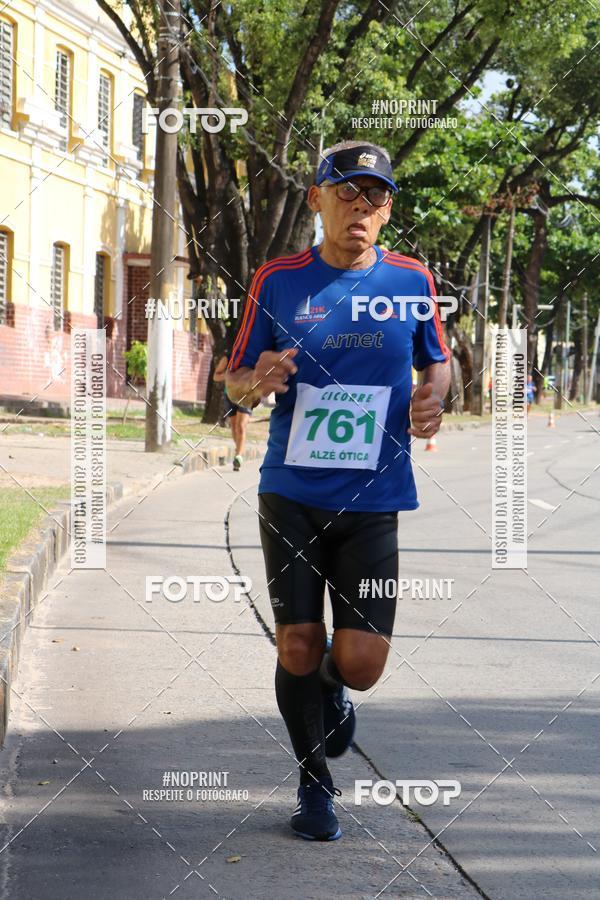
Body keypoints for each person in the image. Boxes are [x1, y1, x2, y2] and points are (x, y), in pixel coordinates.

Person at [226, 140, 451, 841]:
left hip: (375, 499)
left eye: (376, 196)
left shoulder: (412, 280)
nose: (361, 206)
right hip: (290, 492)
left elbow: (438, 365)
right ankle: (313, 786)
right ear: (318, 198)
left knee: (360, 664)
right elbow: (233, 384)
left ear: (387, 212)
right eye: (348, 192)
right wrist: (253, 381)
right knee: (296, 644)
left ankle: (333, 694)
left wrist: (434, 397)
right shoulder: (278, 279)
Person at [213, 352, 252, 471]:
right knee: (234, 426)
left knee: (241, 426)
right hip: (230, 395)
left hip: (247, 394)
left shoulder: (253, 355)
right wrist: (228, 375)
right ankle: (238, 450)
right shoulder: (228, 357)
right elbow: (215, 376)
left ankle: (239, 455)